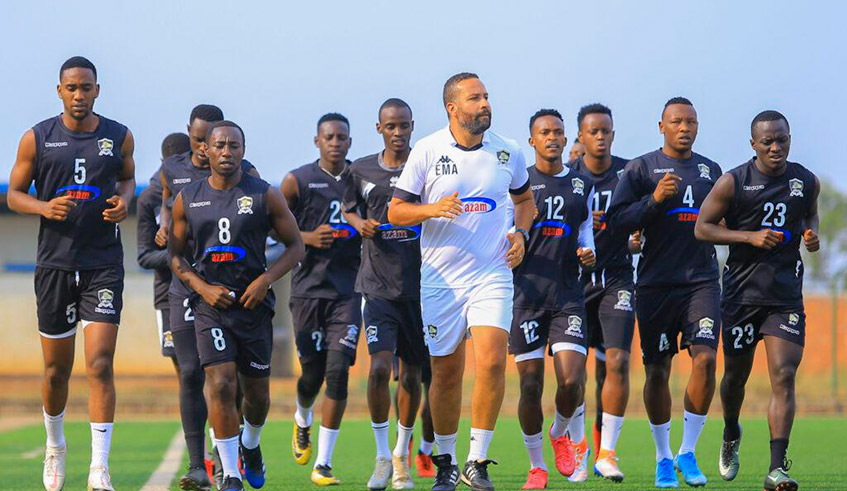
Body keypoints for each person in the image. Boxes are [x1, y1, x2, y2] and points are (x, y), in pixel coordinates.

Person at [388, 72, 535, 491]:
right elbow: (396, 213)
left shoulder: (508, 151)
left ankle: (477, 460)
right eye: (475, 98)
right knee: (446, 372)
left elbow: (525, 201)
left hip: (493, 272)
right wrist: (432, 209)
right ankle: (447, 461)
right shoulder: (427, 150)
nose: (485, 103)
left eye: (487, 96)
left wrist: (521, 234)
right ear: (453, 108)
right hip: (440, 281)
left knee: (491, 360)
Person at [7, 56, 136, 491]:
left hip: (103, 264)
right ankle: (55, 446)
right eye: (72, 88)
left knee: (99, 365)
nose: (79, 95)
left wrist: (123, 202)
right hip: (55, 265)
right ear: (59, 91)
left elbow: (127, 181)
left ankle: (99, 468)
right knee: (55, 372)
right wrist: (44, 206)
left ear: (98, 90)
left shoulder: (118, 136)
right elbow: (15, 195)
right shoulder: (37, 138)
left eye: (87, 88)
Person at [169, 120, 305, 491]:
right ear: (207, 151)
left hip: (253, 308)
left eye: (234, 146)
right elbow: (176, 258)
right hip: (210, 308)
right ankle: (230, 474)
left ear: (243, 151)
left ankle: (251, 446)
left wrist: (264, 280)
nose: (227, 152)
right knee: (221, 383)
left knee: (258, 396)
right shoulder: (189, 198)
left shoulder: (264, 194)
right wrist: (202, 288)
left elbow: (296, 247)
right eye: (220, 146)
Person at [694, 110, 819, 491]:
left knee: (783, 373)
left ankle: (777, 468)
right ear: (754, 144)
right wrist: (748, 237)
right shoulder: (733, 182)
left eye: (782, 139)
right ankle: (731, 430)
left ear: (789, 139)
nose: (776, 147)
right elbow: (703, 228)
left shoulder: (805, 180)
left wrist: (812, 234)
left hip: (784, 297)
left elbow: (808, 215)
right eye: (767, 141)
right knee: (735, 378)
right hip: (741, 296)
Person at [607, 97, 722, 488]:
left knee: (705, 359)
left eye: (691, 121)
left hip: (702, 280)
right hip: (655, 283)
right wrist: (653, 201)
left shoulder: (711, 171)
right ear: (661, 126)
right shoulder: (640, 169)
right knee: (657, 370)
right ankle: (663, 457)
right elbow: (616, 221)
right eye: (677, 121)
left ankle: (688, 452)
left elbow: (727, 218)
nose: (685, 128)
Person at [156, 104, 259, 489]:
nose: (203, 149)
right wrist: (164, 226)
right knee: (189, 372)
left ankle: (229, 451)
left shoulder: (242, 174)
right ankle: (198, 463)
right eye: (198, 141)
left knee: (231, 378)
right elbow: (168, 203)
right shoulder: (173, 168)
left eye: (209, 141)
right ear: (191, 135)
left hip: (228, 287)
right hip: (186, 285)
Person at [342, 99, 427, 490]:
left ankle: (401, 456)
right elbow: (348, 210)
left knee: (412, 376)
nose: (398, 132)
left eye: (404, 126)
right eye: (390, 126)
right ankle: (380, 456)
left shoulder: (425, 164)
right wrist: (360, 223)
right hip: (376, 286)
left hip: (422, 288)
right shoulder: (359, 169)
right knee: (378, 369)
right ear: (379, 128)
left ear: (412, 126)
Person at [510, 109, 596, 490]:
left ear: (566, 138)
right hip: (526, 296)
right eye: (544, 132)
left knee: (572, 380)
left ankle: (560, 432)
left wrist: (587, 252)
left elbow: (585, 232)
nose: (552, 138)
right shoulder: (520, 182)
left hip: (567, 296)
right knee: (530, 387)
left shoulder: (580, 185)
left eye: (558, 132)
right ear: (532, 140)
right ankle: (536, 466)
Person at [281, 113, 362, 486]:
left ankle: (324, 463)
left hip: (348, 293)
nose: (335, 142)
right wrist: (307, 238)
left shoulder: (359, 178)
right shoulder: (297, 180)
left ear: (349, 141)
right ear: (317, 141)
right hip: (308, 293)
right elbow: (271, 223)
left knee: (337, 374)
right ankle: (302, 418)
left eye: (341, 137)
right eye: (328, 137)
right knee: (312, 375)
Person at [569, 103, 640, 482]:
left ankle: (607, 452)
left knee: (616, 363)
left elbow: (641, 226)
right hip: (573, 285)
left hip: (616, 279)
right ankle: (578, 449)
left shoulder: (630, 174)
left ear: (613, 133)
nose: (600, 137)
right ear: (580, 136)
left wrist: (632, 236)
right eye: (593, 131)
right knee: (574, 372)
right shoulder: (568, 178)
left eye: (606, 131)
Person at [137, 133, 190, 371]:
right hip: (169, 294)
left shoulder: (202, 190)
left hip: (207, 290)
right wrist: (176, 256)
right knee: (185, 370)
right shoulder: (149, 199)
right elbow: (144, 256)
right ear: (162, 163)